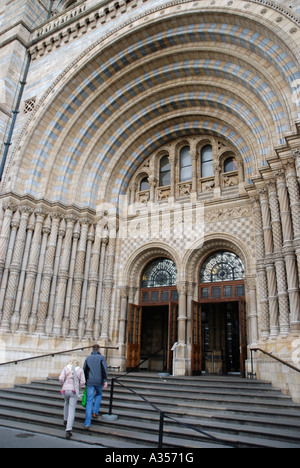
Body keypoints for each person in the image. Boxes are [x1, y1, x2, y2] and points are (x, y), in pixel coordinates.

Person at [59, 356, 86, 440]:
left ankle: (65, 419)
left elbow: (60, 378)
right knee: (72, 409)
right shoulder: (80, 370)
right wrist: (79, 388)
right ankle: (68, 429)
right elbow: (83, 382)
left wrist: (63, 385)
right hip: (73, 390)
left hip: (65, 390)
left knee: (66, 403)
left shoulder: (66, 368)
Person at [83, 344, 108, 429]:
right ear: (99, 350)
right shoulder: (101, 358)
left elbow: (84, 370)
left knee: (89, 401)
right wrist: (105, 380)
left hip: (90, 381)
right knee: (99, 394)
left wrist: (85, 381)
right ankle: (95, 411)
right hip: (99, 381)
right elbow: (104, 369)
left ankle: (87, 423)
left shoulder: (88, 358)